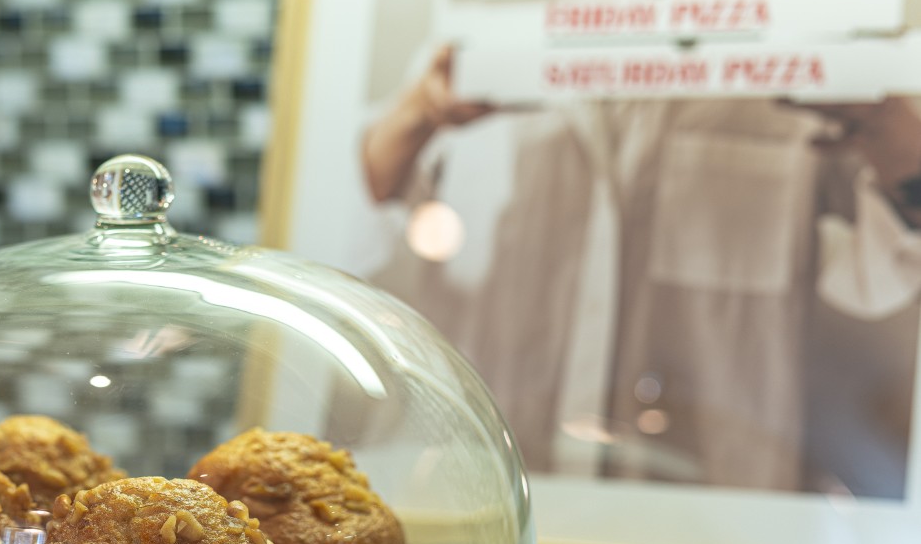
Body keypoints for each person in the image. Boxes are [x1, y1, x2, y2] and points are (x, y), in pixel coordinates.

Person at [359, 45, 921, 496]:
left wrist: (894, 124)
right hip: (490, 505)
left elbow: (898, 258)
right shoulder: (480, 33)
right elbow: (359, 210)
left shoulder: (804, 44)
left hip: (717, 516)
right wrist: (419, 113)